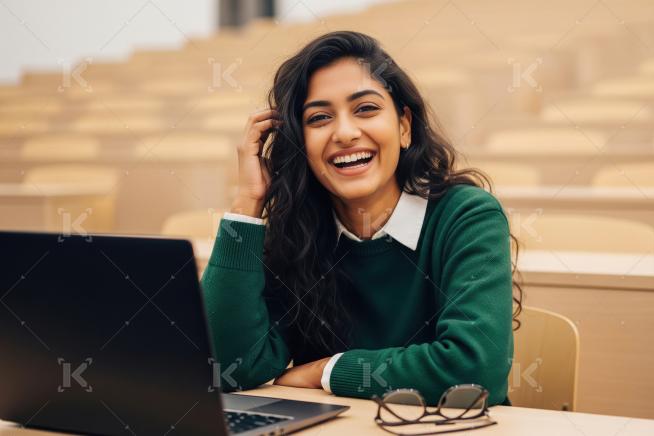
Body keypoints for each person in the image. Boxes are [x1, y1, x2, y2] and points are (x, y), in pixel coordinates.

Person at [201, 30, 522, 406]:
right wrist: (247, 203)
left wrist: (328, 371)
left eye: (366, 109)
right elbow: (227, 367)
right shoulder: (300, 232)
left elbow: (474, 372)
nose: (345, 133)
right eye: (319, 118)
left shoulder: (466, 217)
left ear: (404, 126)